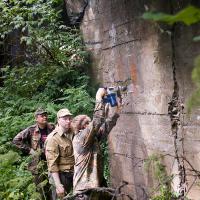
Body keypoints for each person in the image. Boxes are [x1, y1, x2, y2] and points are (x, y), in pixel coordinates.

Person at [72, 88, 120, 200]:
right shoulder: (81, 138)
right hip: (84, 190)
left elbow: (107, 124)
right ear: (81, 128)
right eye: (87, 123)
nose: (90, 125)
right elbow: (97, 121)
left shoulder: (93, 138)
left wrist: (117, 110)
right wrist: (98, 97)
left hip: (97, 186)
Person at [12, 108, 55, 199]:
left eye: (45, 115)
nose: (45, 117)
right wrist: (29, 150)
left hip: (52, 162)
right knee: (40, 190)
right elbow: (16, 140)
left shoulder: (52, 128)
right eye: (42, 116)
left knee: (52, 190)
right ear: (36, 118)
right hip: (37, 165)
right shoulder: (31, 130)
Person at [45, 108, 75, 200]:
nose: (68, 121)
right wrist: (58, 185)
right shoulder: (53, 138)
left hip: (72, 173)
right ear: (58, 120)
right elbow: (52, 164)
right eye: (65, 119)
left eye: (70, 118)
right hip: (60, 176)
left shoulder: (73, 133)